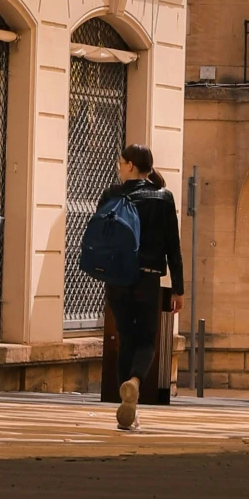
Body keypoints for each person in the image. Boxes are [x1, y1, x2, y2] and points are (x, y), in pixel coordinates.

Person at [94, 143, 184, 433]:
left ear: (131, 165)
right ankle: (133, 384)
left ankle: (128, 412)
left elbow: (99, 236)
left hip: (117, 279)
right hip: (147, 279)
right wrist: (178, 289)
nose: (119, 168)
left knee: (126, 339)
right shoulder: (163, 198)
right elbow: (173, 247)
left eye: (121, 163)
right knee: (147, 340)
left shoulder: (111, 195)